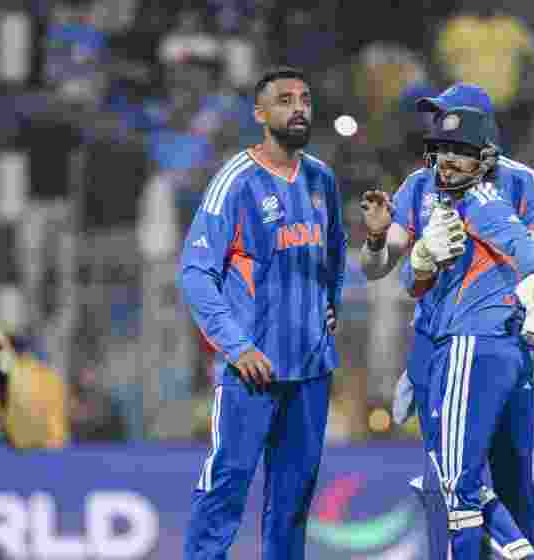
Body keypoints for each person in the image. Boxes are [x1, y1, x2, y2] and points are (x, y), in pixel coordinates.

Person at [359, 105, 534, 560]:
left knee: (458, 487)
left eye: (460, 151)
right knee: (459, 479)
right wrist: (418, 259)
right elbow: (400, 280)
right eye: (441, 148)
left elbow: (521, 244)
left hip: (471, 344)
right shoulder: (431, 194)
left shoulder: (480, 199)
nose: (447, 159)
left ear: (486, 157)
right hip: (449, 349)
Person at [178, 66, 346, 560]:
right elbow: (195, 272)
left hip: (312, 370)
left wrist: (328, 308)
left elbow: (333, 255)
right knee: (225, 487)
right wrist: (237, 346)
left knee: (292, 503)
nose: (299, 109)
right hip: (252, 370)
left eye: (305, 99)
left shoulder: (321, 178)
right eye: (285, 100)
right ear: (260, 113)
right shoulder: (236, 180)